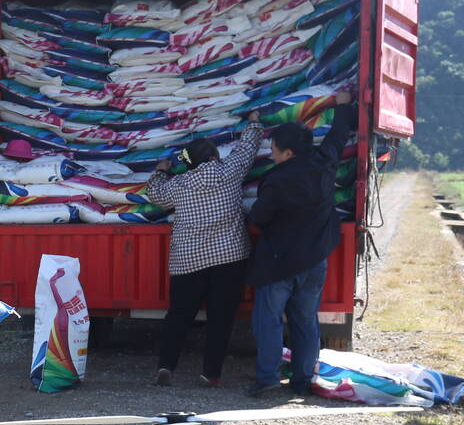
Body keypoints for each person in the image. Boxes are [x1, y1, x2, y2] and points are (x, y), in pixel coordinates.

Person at [245, 92, 357, 397]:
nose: (272, 154)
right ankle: (302, 379)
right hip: (315, 260)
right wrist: (344, 106)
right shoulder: (325, 162)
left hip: (280, 262)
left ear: (288, 152)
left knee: (268, 321)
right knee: (306, 320)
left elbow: (260, 217)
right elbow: (337, 135)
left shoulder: (277, 180)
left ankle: (267, 377)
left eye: (275, 149)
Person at [145, 114, 264, 387]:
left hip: (187, 260)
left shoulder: (180, 185)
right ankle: (211, 373)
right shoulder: (230, 171)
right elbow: (248, 147)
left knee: (178, 316)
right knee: (221, 318)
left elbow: (155, 193)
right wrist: (254, 122)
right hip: (229, 258)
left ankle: (166, 366)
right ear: (213, 157)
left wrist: (161, 170)